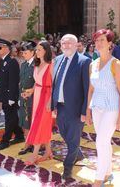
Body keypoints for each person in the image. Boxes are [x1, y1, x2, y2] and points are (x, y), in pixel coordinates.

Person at [85, 29, 120, 187]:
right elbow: (91, 89)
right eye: (96, 40)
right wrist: (88, 110)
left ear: (110, 43)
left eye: (102, 40)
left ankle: (99, 178)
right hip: (96, 107)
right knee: (104, 142)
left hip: (111, 108)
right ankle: (108, 172)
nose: (98, 43)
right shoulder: (93, 64)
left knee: (100, 141)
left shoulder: (116, 64)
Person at [52, 34, 91, 179]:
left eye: (69, 43)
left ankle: (67, 168)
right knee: (64, 134)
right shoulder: (57, 60)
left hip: (76, 109)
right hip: (60, 107)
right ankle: (78, 154)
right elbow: (54, 85)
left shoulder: (84, 61)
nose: (66, 45)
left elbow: (87, 89)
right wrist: (53, 105)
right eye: (63, 43)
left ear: (76, 45)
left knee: (73, 139)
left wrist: (84, 111)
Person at [23, 41, 53, 164]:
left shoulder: (51, 65)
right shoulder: (37, 64)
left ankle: (35, 154)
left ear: (46, 51)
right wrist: (30, 91)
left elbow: (54, 85)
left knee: (38, 124)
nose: (37, 52)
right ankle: (48, 152)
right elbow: (37, 82)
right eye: (36, 50)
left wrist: (50, 102)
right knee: (42, 124)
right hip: (37, 96)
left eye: (39, 50)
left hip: (46, 98)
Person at [0, 38, 24, 150]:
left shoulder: (12, 62)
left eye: (0, 47)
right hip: (4, 94)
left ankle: (5, 141)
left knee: (9, 118)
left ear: (6, 48)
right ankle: (20, 135)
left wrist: (12, 97)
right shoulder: (2, 61)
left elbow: (13, 81)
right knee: (12, 117)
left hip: (10, 96)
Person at [17, 41, 36, 155]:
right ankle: (28, 144)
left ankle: (36, 143)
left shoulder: (37, 64)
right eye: (22, 52)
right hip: (23, 96)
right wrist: (19, 96)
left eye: (25, 52)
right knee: (24, 121)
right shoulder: (23, 64)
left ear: (32, 52)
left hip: (33, 97)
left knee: (33, 121)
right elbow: (21, 82)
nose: (23, 54)